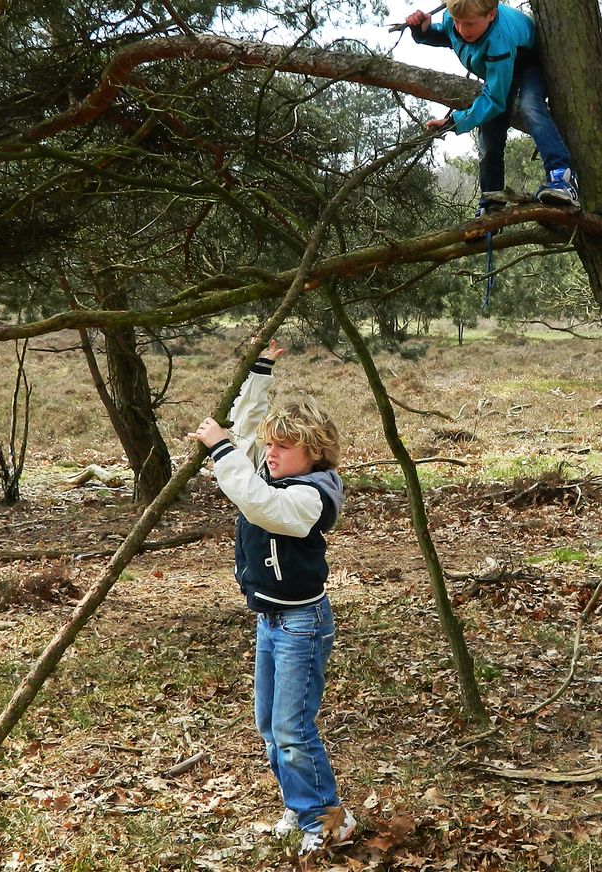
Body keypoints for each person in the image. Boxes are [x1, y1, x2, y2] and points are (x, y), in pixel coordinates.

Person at [185, 340, 355, 854]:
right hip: (271, 620)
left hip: (303, 623)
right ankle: (299, 806)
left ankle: (327, 823)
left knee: (292, 727)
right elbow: (245, 426)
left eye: (284, 447)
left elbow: (259, 506)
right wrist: (260, 368)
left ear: (314, 452)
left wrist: (220, 451)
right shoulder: (276, 470)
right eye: (271, 445)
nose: (272, 454)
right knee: (269, 725)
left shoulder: (311, 494)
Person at [403, 0, 580, 222]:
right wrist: (423, 30)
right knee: (488, 134)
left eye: (468, 24)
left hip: (526, 63)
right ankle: (492, 203)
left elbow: (495, 99)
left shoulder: (499, 41)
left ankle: (562, 178)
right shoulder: (456, 18)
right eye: (457, 21)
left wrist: (453, 122)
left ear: (491, 15)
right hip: (498, 68)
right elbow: (448, 35)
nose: (461, 29)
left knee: (531, 107)